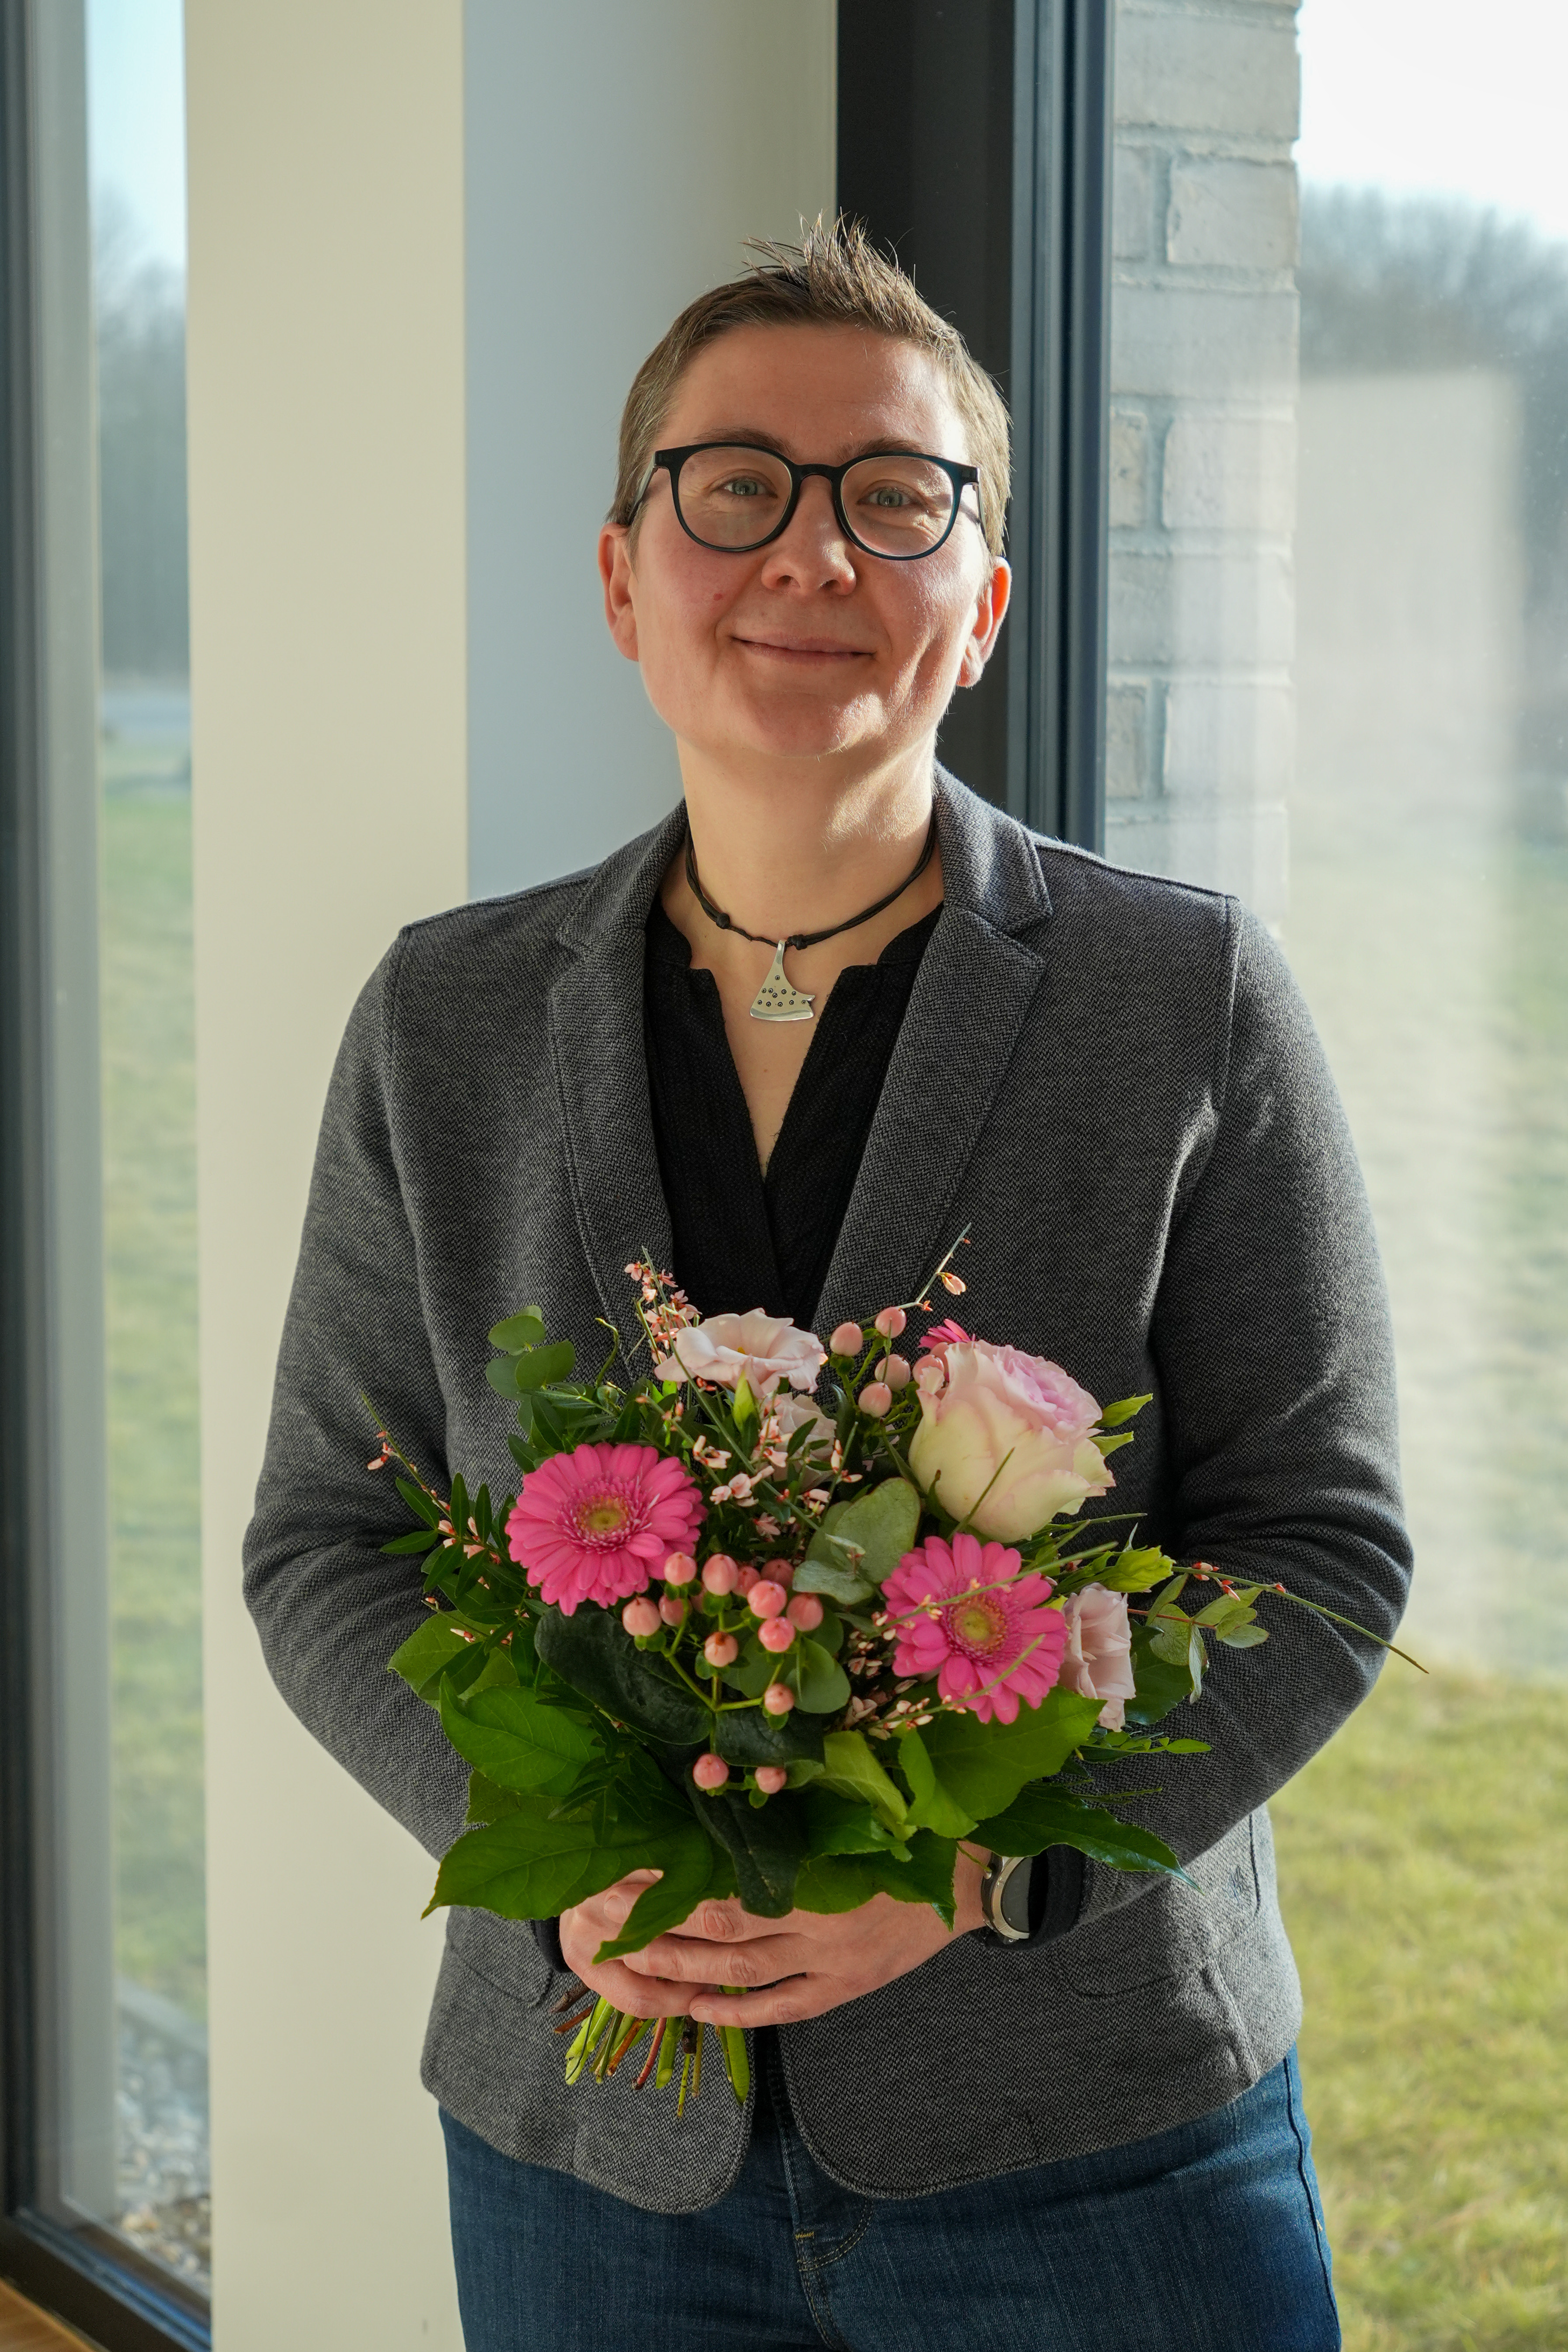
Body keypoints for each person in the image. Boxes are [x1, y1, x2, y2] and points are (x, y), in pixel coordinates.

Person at [245, 222, 1409, 2351]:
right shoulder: (445, 1018)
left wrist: (982, 1869)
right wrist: (552, 1842)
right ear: (624, 580)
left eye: (894, 495)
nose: (810, 551)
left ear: (985, 601)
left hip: (1090, 2131)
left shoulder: (1185, 995)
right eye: (735, 487)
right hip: (591, 2156)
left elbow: (1321, 1546)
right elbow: (330, 1532)